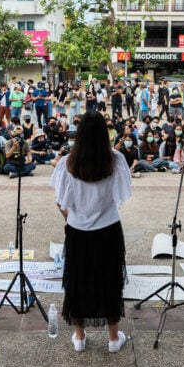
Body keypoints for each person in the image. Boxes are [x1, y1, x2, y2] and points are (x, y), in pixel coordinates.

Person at [50, 110, 131, 353]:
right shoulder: (115, 159)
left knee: (77, 280)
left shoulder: (68, 162)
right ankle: (113, 338)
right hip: (108, 229)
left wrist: (73, 216)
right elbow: (121, 196)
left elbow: (61, 202)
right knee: (110, 279)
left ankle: (79, 336)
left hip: (78, 231)